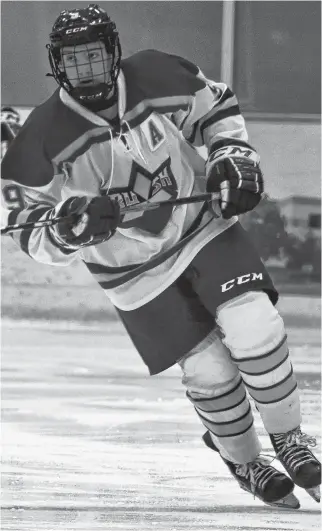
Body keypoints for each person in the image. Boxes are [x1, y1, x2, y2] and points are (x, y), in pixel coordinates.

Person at [1, 4, 320, 508]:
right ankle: (244, 460)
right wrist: (70, 227)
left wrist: (231, 155)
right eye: (73, 60)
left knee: (254, 324)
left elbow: (217, 111)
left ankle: (290, 437)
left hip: (203, 230)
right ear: (57, 64)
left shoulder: (159, 73)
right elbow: (29, 227)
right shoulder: (40, 133)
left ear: (113, 52)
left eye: (93, 57)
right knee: (210, 373)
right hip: (132, 273)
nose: (85, 70)